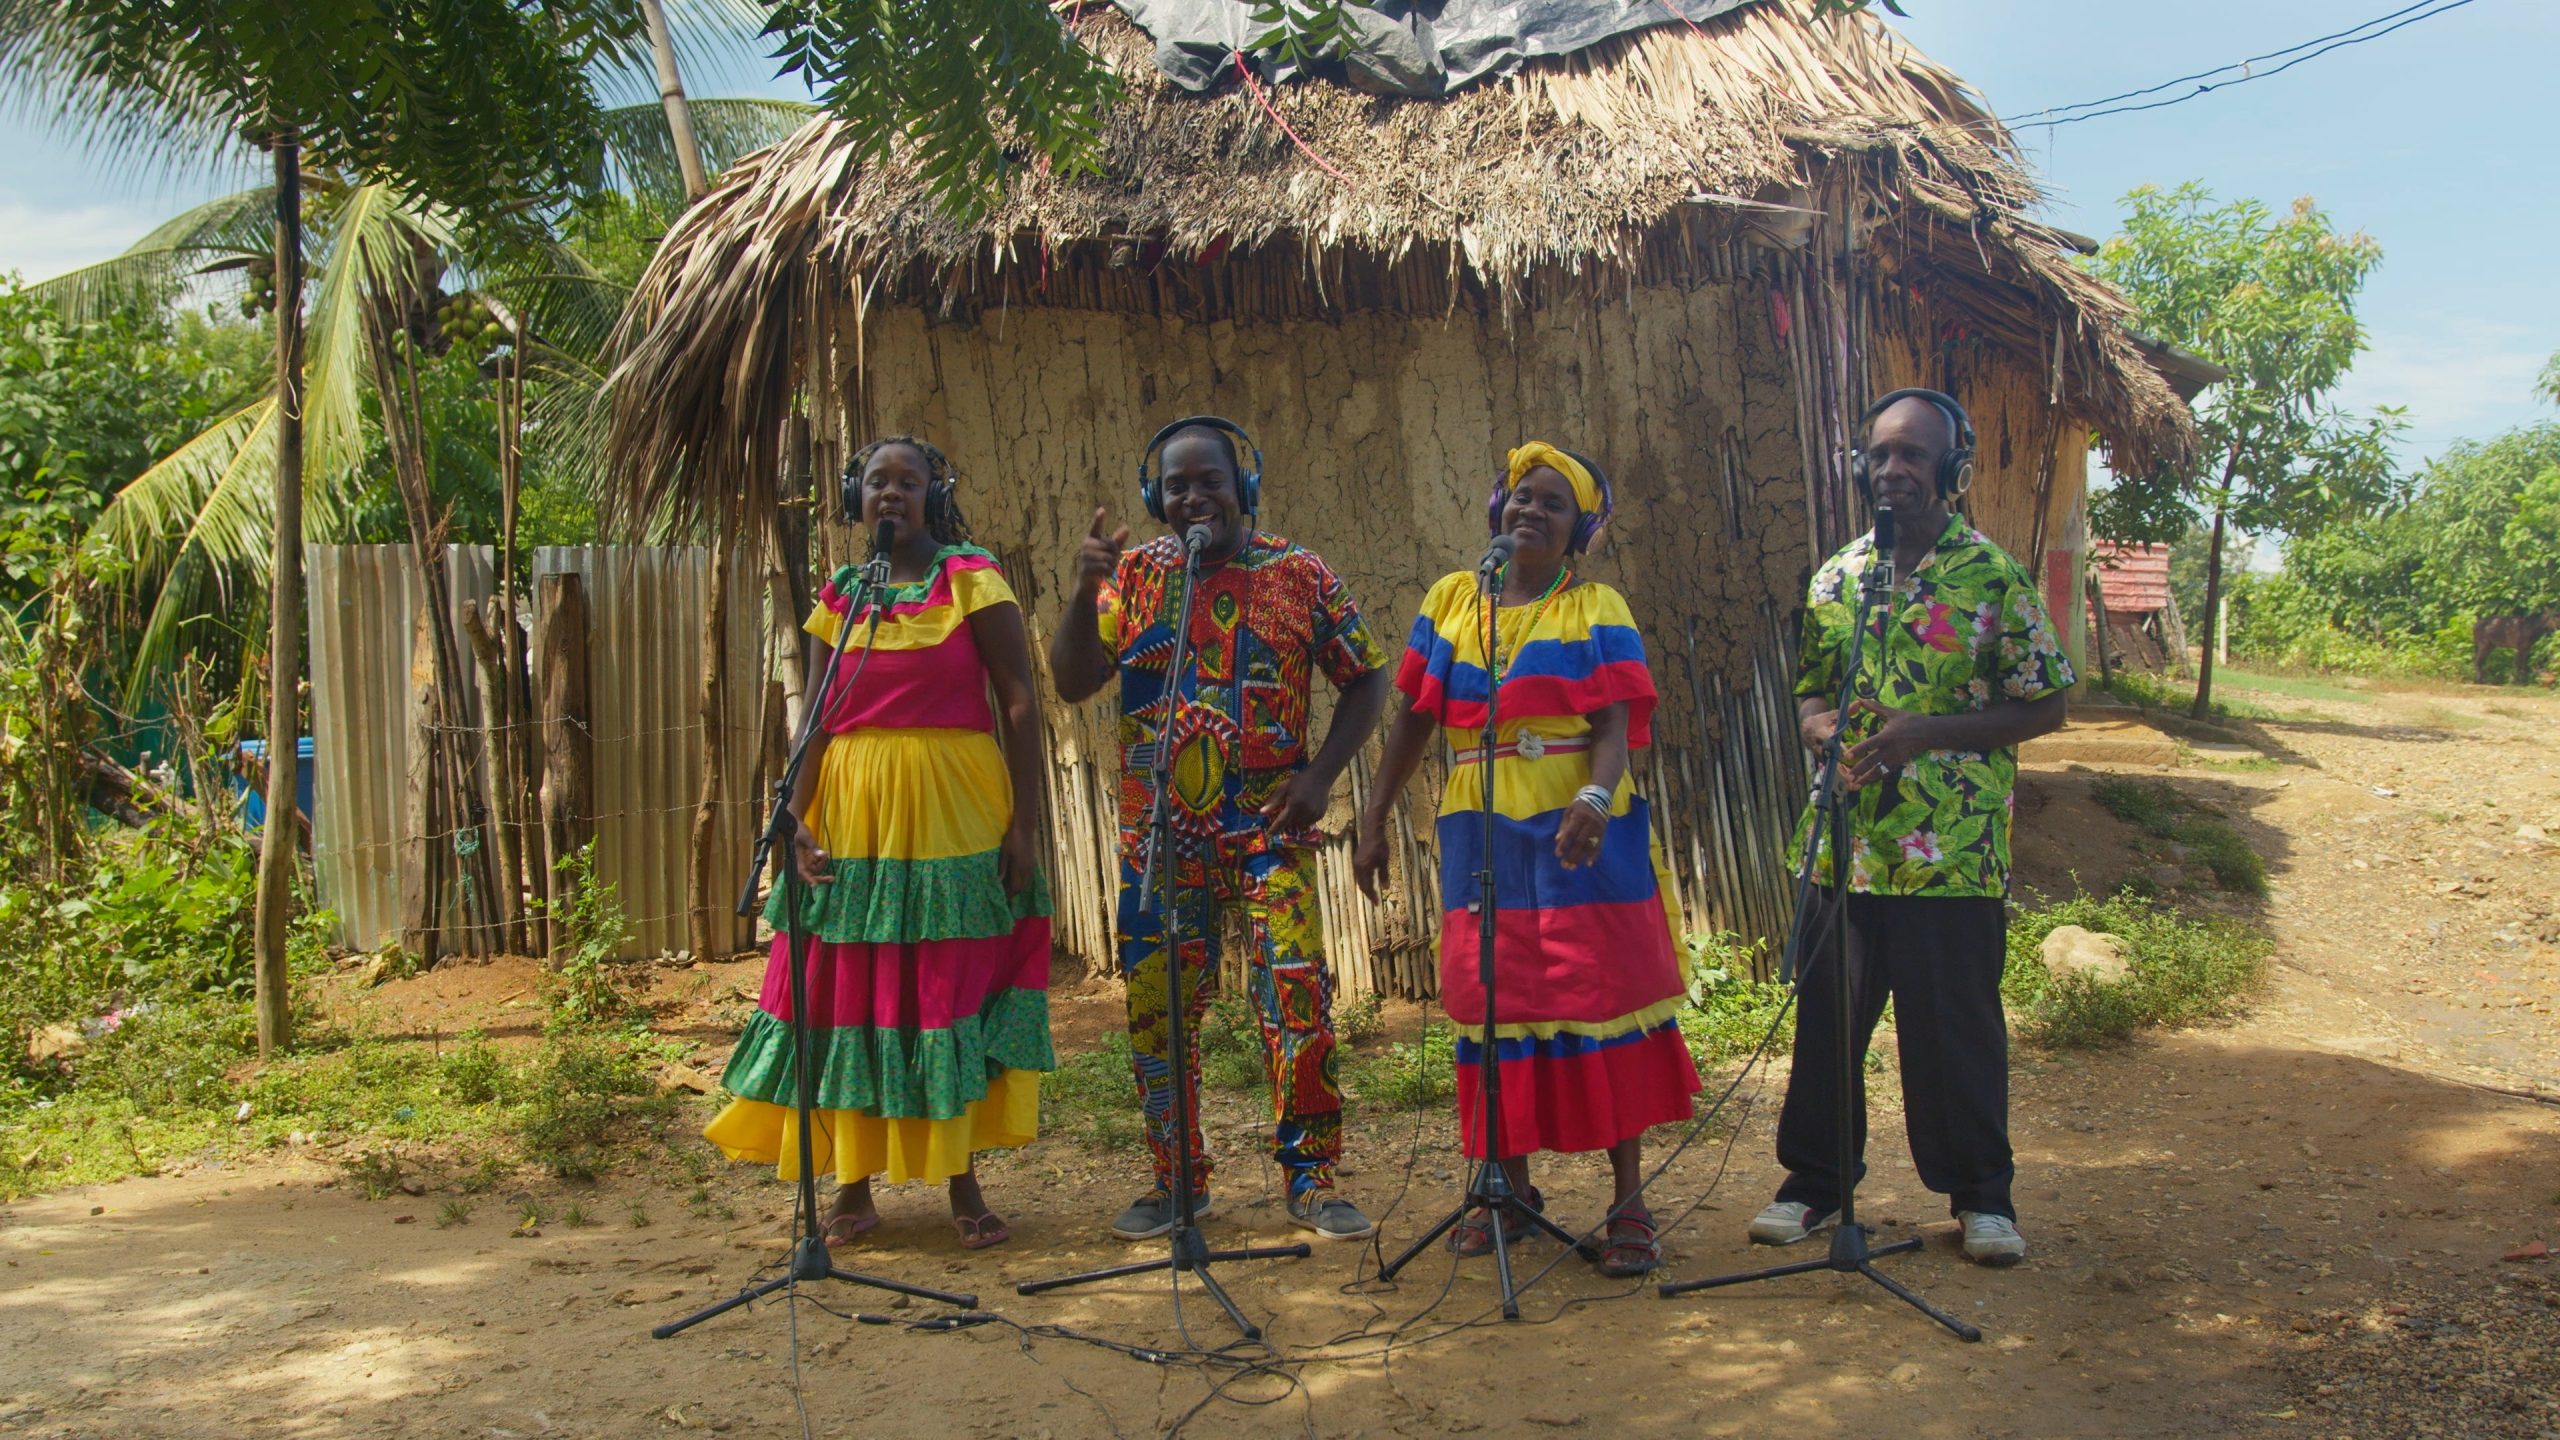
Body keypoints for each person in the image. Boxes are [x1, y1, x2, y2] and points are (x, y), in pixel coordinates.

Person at [1352, 442, 1701, 1277]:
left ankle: (1628, 1204)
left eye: (1552, 502)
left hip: (1580, 824)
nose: (1529, 511)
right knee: (1491, 998)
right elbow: (1414, 718)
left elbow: (1614, 727)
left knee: (1599, 995)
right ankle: (1507, 1192)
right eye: (1519, 496)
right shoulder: (1452, 601)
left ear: (1581, 528)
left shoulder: (1596, 607)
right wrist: (1373, 816)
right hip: (1480, 823)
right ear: (1494, 510)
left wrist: (1596, 799)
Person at [1748, 389, 2071, 1267]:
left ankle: (1982, 1199)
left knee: (1954, 1034)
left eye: (1913, 455)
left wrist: (1926, 735)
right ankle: (1815, 1184)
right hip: (1845, 848)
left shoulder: (1992, 577)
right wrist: (1817, 726)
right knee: (1826, 1026)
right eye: (1880, 454)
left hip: (1952, 853)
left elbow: (2047, 704)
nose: (1892, 470)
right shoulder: (1837, 577)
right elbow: (1811, 689)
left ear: (1952, 470)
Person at [705, 436, 1054, 1251]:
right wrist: (796, 818)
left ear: (938, 493)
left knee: (944, 985)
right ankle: (853, 1185)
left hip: (953, 808)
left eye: (909, 480)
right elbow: (817, 716)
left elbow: (1018, 700)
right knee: (847, 988)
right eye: (875, 482)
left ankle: (961, 1178)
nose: (890, 493)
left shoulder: (972, 578)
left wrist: (1026, 825)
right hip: (851, 810)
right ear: (853, 496)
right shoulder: (842, 593)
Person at [1049, 417, 1392, 1243]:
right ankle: (1177, 1183)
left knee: (1296, 998)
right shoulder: (1132, 577)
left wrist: (1319, 778)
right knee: (1157, 1015)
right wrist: (1083, 592)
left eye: (1211, 479)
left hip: (1270, 829)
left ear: (1244, 484)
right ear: (1155, 496)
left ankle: (1312, 1178)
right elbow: (1073, 681)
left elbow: (1368, 675)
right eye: (1177, 485)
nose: (1194, 496)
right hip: (1161, 840)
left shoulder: (1300, 573)